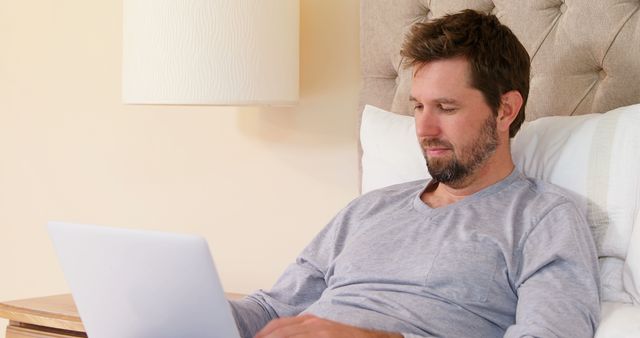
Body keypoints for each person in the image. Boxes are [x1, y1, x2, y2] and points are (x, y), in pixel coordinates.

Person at [230, 9, 600, 338]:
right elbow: (271, 310)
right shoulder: (368, 209)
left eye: (446, 107)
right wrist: (199, 306)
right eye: (419, 106)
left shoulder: (543, 219)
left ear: (505, 109)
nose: (424, 129)